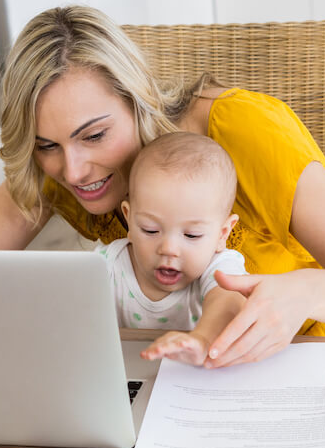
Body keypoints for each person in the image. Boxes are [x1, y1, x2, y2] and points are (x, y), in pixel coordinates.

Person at [0, 5, 325, 367]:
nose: (76, 170)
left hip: (321, 363)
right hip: (184, 378)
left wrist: (304, 293)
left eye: (96, 135)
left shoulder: (241, 128)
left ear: (137, 100)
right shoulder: (61, 168)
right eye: (47, 144)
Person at [96, 131, 247, 366]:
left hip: (198, 378)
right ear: (129, 218)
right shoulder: (107, 264)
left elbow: (230, 301)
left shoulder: (218, 265)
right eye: (150, 229)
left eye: (191, 235)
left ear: (222, 233)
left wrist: (202, 340)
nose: (169, 249)